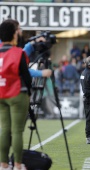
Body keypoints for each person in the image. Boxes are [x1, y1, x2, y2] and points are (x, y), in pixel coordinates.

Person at [0, 19, 32, 170]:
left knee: (4, 129)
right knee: (17, 130)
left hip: (1, 93)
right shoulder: (18, 52)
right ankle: (18, 165)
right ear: (14, 34)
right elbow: (27, 77)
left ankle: (4, 164)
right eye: (18, 30)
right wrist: (30, 93)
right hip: (17, 93)